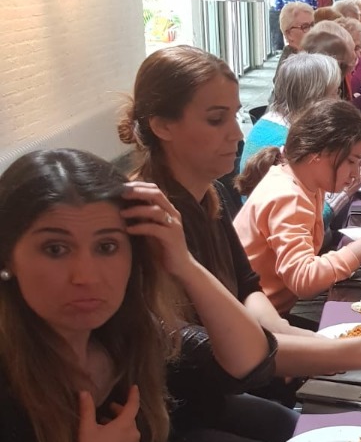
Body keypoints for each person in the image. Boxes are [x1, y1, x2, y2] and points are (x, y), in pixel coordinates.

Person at [117, 46, 361, 397]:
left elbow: (247, 288)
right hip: (195, 400)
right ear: (162, 126)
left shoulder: (209, 194)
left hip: (239, 367)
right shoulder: (147, 219)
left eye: (234, 116)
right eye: (216, 120)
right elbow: (220, 353)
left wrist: (288, 334)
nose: (237, 134)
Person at [0, 149, 278, 442]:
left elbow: (250, 363)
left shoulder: (131, 334)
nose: (86, 276)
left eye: (107, 247)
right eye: (55, 249)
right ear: (7, 257)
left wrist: (184, 264)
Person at [233, 99, 361, 312]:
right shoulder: (289, 197)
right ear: (318, 154)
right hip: (264, 319)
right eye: (351, 161)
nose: (355, 173)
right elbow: (303, 281)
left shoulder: (305, 183)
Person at [274, 2, 315, 82]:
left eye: (313, 25)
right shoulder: (290, 69)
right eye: (305, 27)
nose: (312, 31)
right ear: (289, 34)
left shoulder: (310, 55)